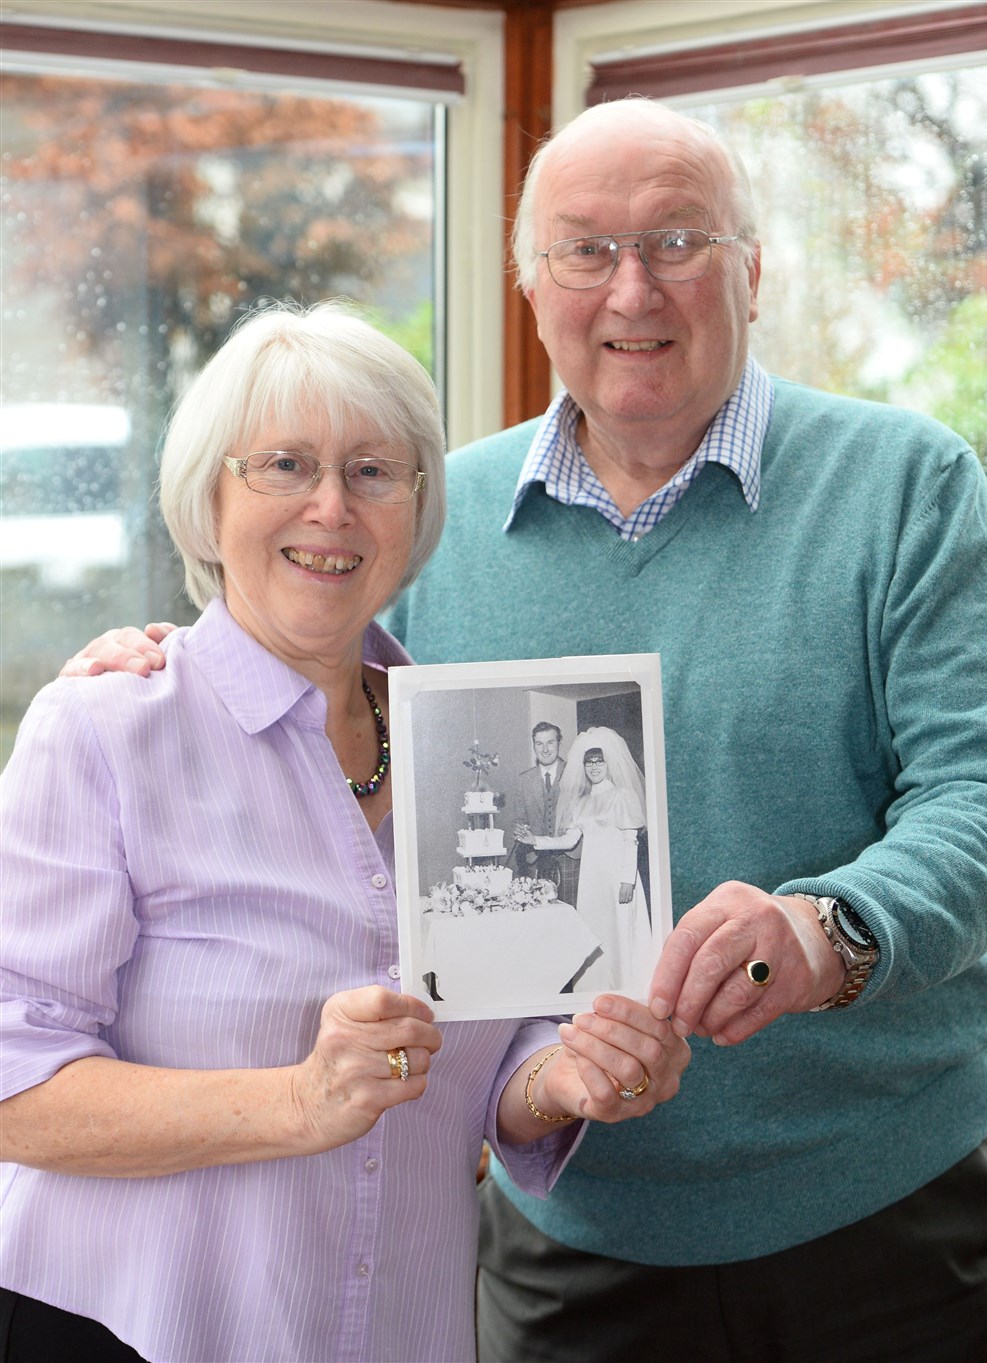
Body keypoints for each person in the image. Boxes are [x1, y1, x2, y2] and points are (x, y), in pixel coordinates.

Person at [59, 98, 987, 1363]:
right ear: (533, 287)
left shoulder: (908, 485)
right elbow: (298, 707)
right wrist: (155, 663)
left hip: (885, 1210)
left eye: (679, 241)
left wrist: (827, 930)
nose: (631, 286)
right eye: (585, 249)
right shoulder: (425, 519)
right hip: (562, 1218)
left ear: (753, 270)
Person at [0, 300, 691, 1363]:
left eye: (375, 471)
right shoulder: (104, 731)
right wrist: (296, 1100)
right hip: (124, 1334)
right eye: (284, 463)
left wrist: (562, 1077)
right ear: (208, 498)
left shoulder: (473, 744)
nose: (331, 506)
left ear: (415, 509)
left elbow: (492, 1042)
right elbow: (15, 1084)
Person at [516, 728, 649, 992]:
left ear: (609, 763)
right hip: (592, 880)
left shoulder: (623, 796)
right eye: (589, 762)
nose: (594, 767)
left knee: (619, 934)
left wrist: (627, 882)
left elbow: (629, 841)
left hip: (617, 879)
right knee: (595, 935)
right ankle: (595, 992)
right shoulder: (581, 802)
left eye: (600, 761)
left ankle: (625, 989)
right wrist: (536, 840)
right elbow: (569, 840)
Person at [508, 721, 580, 903]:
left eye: (550, 742)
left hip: (569, 859)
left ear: (559, 743)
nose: (545, 749)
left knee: (571, 915)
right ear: (534, 745)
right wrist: (521, 829)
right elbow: (519, 819)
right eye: (539, 743)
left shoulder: (575, 774)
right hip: (535, 859)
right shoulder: (523, 780)